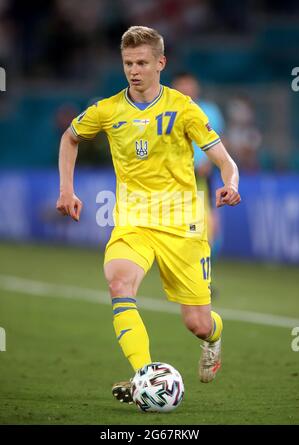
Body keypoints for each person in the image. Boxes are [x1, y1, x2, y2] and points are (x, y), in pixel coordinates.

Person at [56, 26, 241, 405]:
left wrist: (231, 183)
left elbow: (226, 161)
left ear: (161, 63)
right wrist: (66, 189)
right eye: (127, 63)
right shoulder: (108, 110)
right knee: (119, 285)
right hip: (133, 221)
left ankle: (214, 337)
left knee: (197, 323)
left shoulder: (184, 108)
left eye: (142, 62)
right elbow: (70, 138)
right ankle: (144, 375)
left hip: (183, 226)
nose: (134, 70)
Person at [171, 73, 225, 268]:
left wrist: (211, 163)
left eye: (189, 85)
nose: (186, 89)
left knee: (207, 226)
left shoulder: (210, 111)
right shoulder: (165, 112)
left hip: (201, 177)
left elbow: (220, 141)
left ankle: (202, 275)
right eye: (181, 85)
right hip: (173, 178)